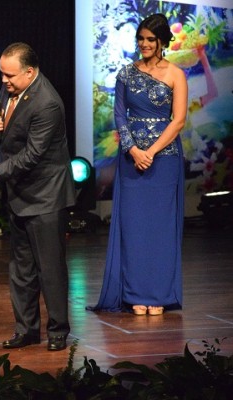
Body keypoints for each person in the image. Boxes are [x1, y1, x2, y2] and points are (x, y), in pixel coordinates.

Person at [0, 42, 76, 351]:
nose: (5, 81)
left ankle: (58, 331)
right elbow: (11, 136)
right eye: (2, 74)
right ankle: (26, 329)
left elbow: (32, 155)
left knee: (50, 268)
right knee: (21, 269)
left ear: (30, 72)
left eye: (10, 75)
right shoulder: (10, 89)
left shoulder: (47, 103)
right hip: (19, 192)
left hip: (45, 195)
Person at [87, 14, 187, 315]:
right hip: (131, 161)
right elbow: (119, 115)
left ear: (162, 42)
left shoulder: (175, 75)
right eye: (141, 38)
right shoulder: (126, 73)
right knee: (133, 226)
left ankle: (158, 295)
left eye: (150, 40)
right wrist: (133, 150)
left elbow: (178, 119)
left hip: (164, 160)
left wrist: (151, 152)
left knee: (160, 227)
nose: (144, 44)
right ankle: (133, 294)